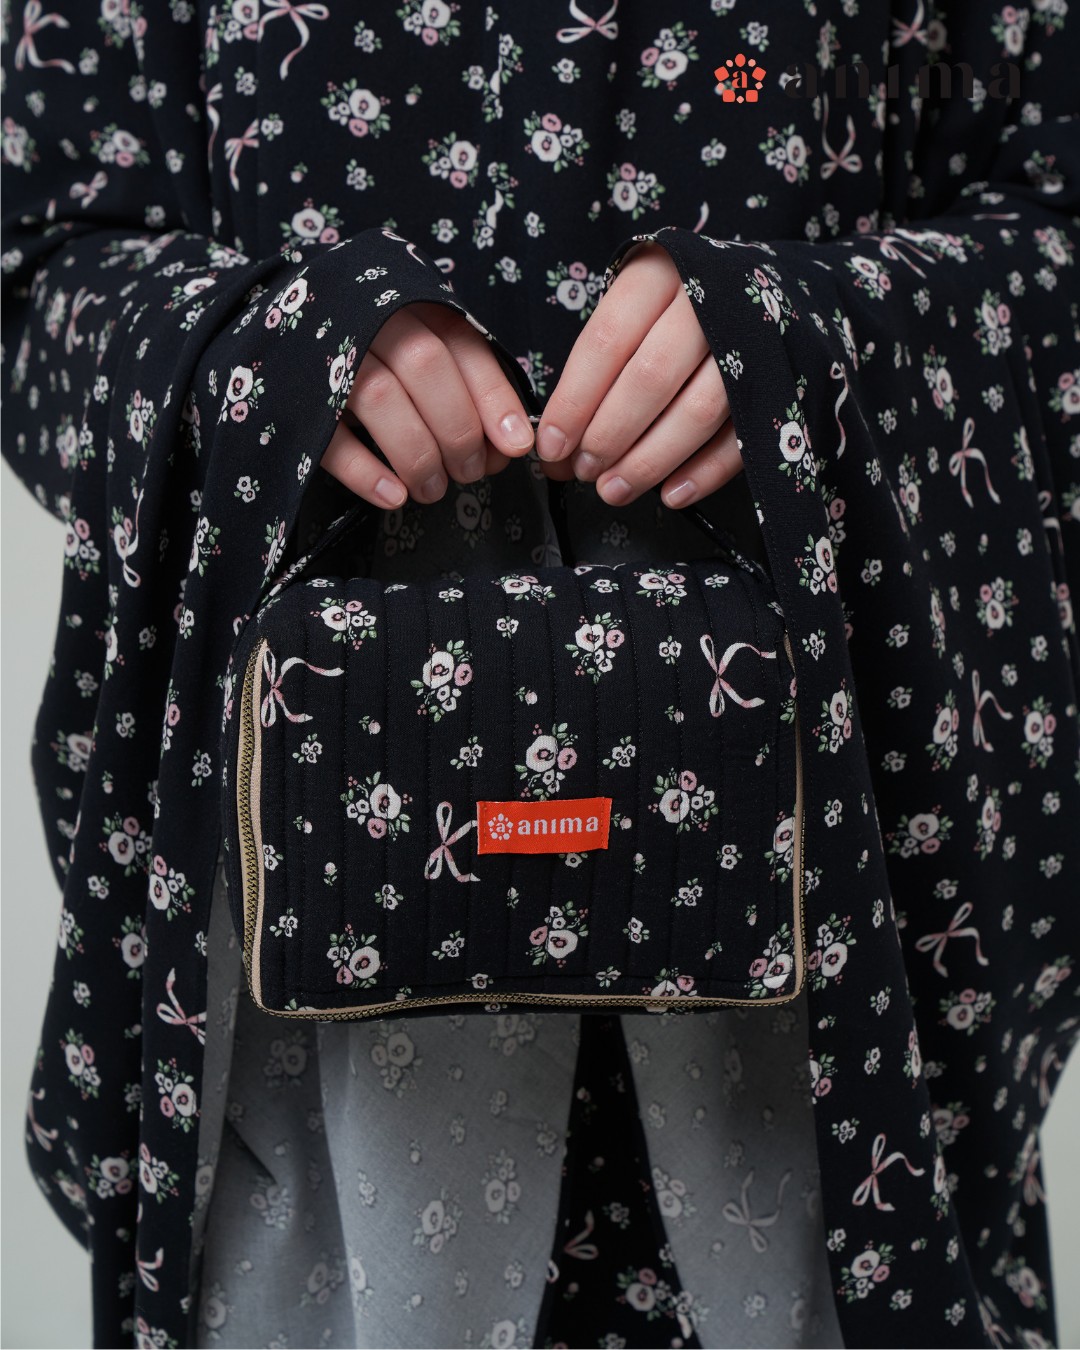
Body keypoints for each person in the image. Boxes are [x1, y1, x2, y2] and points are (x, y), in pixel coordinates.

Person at [2, 1, 1078, 1347]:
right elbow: (41, 271)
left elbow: (1050, 231)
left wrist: (813, 339)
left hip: (829, 941)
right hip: (309, 958)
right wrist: (264, 352)